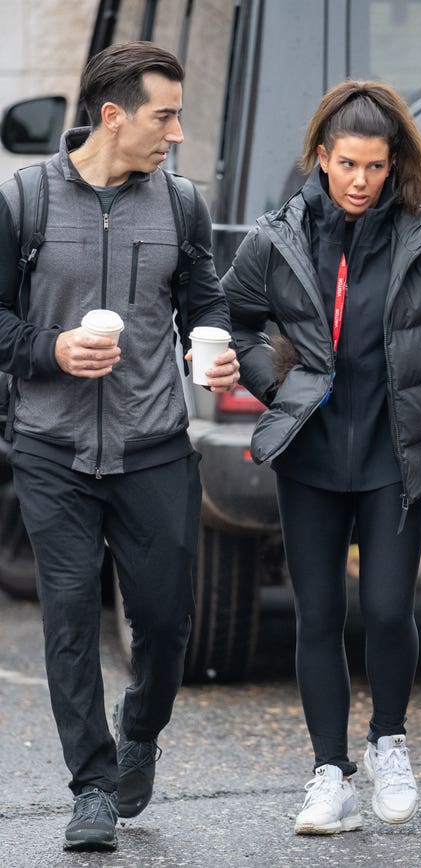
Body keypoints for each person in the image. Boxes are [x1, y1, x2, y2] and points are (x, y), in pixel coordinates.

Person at [222, 79, 421, 835]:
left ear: (395, 164)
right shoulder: (276, 239)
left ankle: (388, 741)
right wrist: (267, 378)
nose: (360, 181)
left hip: (395, 453)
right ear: (321, 156)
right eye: (348, 164)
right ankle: (329, 774)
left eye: (376, 167)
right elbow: (235, 316)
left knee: (384, 608)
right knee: (318, 614)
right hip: (309, 456)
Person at [0, 42, 239, 851]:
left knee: (167, 619)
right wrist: (51, 350)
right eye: (164, 116)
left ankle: (141, 729)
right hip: (52, 449)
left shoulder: (180, 206)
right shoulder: (24, 202)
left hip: (153, 445)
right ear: (113, 115)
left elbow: (206, 302)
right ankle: (92, 788)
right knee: (69, 621)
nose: (175, 134)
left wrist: (220, 347)